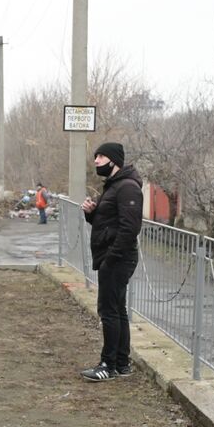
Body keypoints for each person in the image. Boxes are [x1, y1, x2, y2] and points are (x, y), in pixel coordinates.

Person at [80, 142, 143, 381]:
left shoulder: (127, 188)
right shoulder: (114, 186)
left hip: (117, 259)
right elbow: (109, 223)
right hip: (113, 258)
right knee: (117, 310)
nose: (96, 161)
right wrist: (92, 213)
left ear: (114, 160)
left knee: (108, 311)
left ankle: (108, 364)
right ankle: (122, 363)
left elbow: (129, 229)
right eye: (95, 156)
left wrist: (111, 258)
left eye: (101, 156)